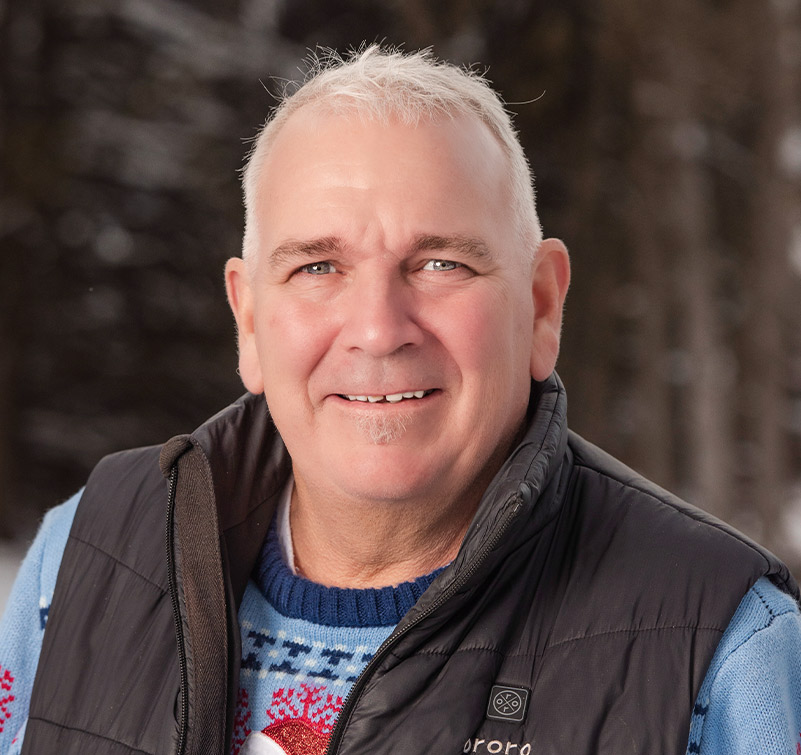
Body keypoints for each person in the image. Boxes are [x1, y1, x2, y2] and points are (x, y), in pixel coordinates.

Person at [0, 45, 799, 755]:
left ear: (541, 306)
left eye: (442, 263)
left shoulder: (722, 645)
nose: (378, 330)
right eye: (317, 267)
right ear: (248, 319)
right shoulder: (82, 557)